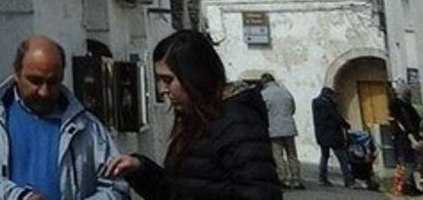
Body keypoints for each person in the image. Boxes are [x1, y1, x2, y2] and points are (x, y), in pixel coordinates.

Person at [0, 35, 128, 199]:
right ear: (17, 73)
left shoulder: (88, 127)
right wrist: (16, 197)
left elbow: (117, 188)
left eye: (52, 82)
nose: (44, 91)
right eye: (35, 81)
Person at [104, 31, 281, 200]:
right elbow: (181, 192)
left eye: (168, 80)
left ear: (194, 76)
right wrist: (140, 170)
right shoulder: (198, 121)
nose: (163, 90)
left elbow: (261, 193)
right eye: (159, 80)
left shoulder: (238, 124)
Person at [258, 73, 302, 189]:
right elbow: (293, 108)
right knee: (292, 154)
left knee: (277, 154)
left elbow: (263, 112)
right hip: (289, 126)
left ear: (264, 82)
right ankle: (296, 179)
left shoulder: (264, 94)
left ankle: (284, 179)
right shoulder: (285, 92)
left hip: (274, 128)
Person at [311, 86, 352, 187]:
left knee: (324, 156)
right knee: (342, 158)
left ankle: (322, 178)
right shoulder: (328, 104)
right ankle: (348, 180)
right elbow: (335, 117)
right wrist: (346, 125)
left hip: (321, 134)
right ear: (329, 94)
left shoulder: (315, 103)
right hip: (333, 134)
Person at [389, 80, 423, 196]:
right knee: (410, 163)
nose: (408, 91)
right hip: (405, 138)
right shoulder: (398, 105)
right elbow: (404, 123)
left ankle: (410, 186)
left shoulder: (405, 104)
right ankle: (407, 186)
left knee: (413, 162)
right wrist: (413, 139)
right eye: (405, 88)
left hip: (409, 136)